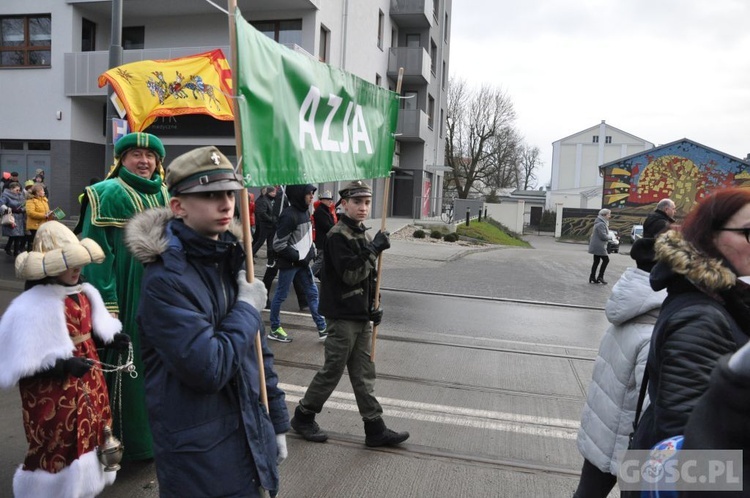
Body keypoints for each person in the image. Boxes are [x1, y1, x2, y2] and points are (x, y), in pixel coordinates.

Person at [125, 146, 288, 497]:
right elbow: (208, 367)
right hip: (200, 455)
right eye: (209, 195)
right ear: (178, 207)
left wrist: (275, 419)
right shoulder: (166, 281)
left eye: (229, 192)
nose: (226, 203)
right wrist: (247, 308)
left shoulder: (230, 259)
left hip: (247, 434)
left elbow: (258, 353)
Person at [0, 221, 128, 498]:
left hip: (89, 377)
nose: (76, 270)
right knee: (58, 437)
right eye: (69, 264)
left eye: (78, 264)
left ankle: (84, 485)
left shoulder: (85, 294)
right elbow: (20, 360)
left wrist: (112, 338)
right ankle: (52, 490)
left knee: (95, 427)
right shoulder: (30, 305)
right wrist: (60, 366)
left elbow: (95, 328)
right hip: (53, 391)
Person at [290, 180, 410, 447]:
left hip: (358, 315)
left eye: (366, 202)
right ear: (344, 204)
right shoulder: (337, 235)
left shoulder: (361, 234)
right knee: (333, 370)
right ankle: (303, 416)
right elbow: (351, 274)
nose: (363, 207)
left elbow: (370, 279)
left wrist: (373, 305)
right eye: (357, 202)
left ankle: (375, 428)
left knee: (364, 372)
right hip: (342, 315)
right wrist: (374, 249)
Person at [630, 188, 750, 453]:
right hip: (681, 482)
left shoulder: (724, 298)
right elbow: (688, 453)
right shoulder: (702, 318)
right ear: (712, 238)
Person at [75, 131, 170, 461]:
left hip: (165, 296)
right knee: (130, 372)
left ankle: (160, 439)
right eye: (136, 155)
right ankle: (129, 447)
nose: (144, 161)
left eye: (150, 156)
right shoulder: (105, 193)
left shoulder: (166, 193)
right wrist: (107, 308)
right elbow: (96, 256)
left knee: (165, 369)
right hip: (128, 298)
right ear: (121, 159)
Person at [573, 237, 666, 498]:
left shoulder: (631, 309)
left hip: (602, 432)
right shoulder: (654, 330)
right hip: (630, 446)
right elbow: (656, 411)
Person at [267, 184, 325, 342]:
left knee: (313, 294)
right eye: (309, 193)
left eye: (312, 193)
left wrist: (311, 250)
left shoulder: (304, 212)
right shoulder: (288, 215)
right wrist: (299, 256)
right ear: (299, 195)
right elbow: (278, 244)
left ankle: (322, 328)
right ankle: (274, 328)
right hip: (290, 265)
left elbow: (306, 236)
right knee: (280, 295)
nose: (312, 196)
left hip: (302, 264)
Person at [311, 189, 336, 278]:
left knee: (325, 260)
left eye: (331, 199)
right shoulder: (320, 211)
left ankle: (322, 277)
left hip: (326, 240)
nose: (330, 201)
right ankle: (308, 275)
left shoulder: (326, 210)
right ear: (322, 200)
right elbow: (327, 226)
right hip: (322, 240)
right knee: (320, 260)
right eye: (328, 199)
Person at [1, 181, 26, 255]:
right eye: (16, 190)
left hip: (20, 217)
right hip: (12, 217)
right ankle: (15, 252)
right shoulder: (5, 196)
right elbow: (1, 204)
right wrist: (10, 209)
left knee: (17, 235)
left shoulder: (20, 195)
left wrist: (22, 209)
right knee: (14, 235)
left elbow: (24, 205)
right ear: (11, 189)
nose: (18, 192)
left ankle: (10, 248)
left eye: (19, 190)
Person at [25, 182, 53, 250]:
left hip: (44, 225)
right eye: (42, 190)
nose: (44, 192)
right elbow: (30, 213)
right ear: (37, 192)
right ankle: (32, 257)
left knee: (42, 244)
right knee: (36, 244)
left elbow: (46, 211)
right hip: (35, 226)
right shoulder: (30, 201)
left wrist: (50, 213)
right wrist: (44, 215)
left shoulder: (44, 200)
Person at [252, 185, 277, 256]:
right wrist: (271, 219)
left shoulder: (268, 200)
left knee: (270, 242)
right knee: (260, 241)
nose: (275, 193)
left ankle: (270, 256)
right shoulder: (262, 200)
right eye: (273, 192)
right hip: (265, 225)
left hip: (269, 225)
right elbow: (262, 213)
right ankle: (250, 255)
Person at [588, 208, 611, 284]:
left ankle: (592, 277)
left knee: (596, 261)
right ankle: (600, 277)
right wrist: (611, 237)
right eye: (608, 214)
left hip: (596, 245)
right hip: (599, 246)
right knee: (606, 260)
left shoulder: (599, 222)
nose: (609, 216)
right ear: (604, 215)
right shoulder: (601, 224)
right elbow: (603, 237)